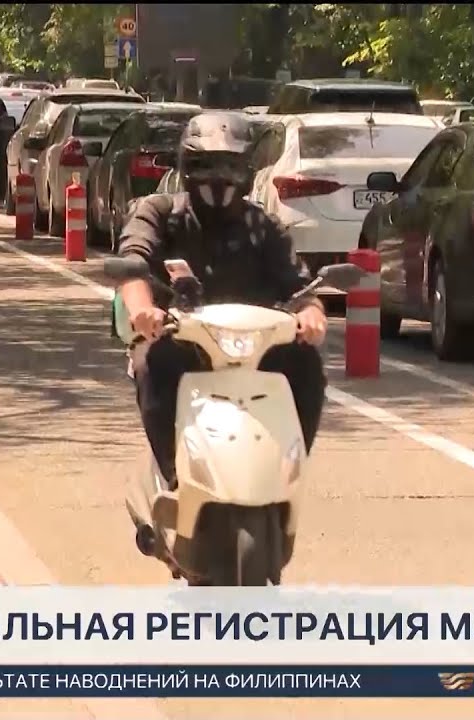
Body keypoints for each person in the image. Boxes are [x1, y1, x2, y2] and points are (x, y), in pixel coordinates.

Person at [114, 111, 328, 487]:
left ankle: (286, 471)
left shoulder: (263, 226)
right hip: (179, 340)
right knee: (152, 362)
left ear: (247, 171)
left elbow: (299, 287)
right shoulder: (160, 213)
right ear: (186, 167)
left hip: (254, 348)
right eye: (206, 166)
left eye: (230, 167)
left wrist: (311, 313)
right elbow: (134, 262)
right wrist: (143, 310)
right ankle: (174, 479)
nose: (218, 178)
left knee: (307, 363)